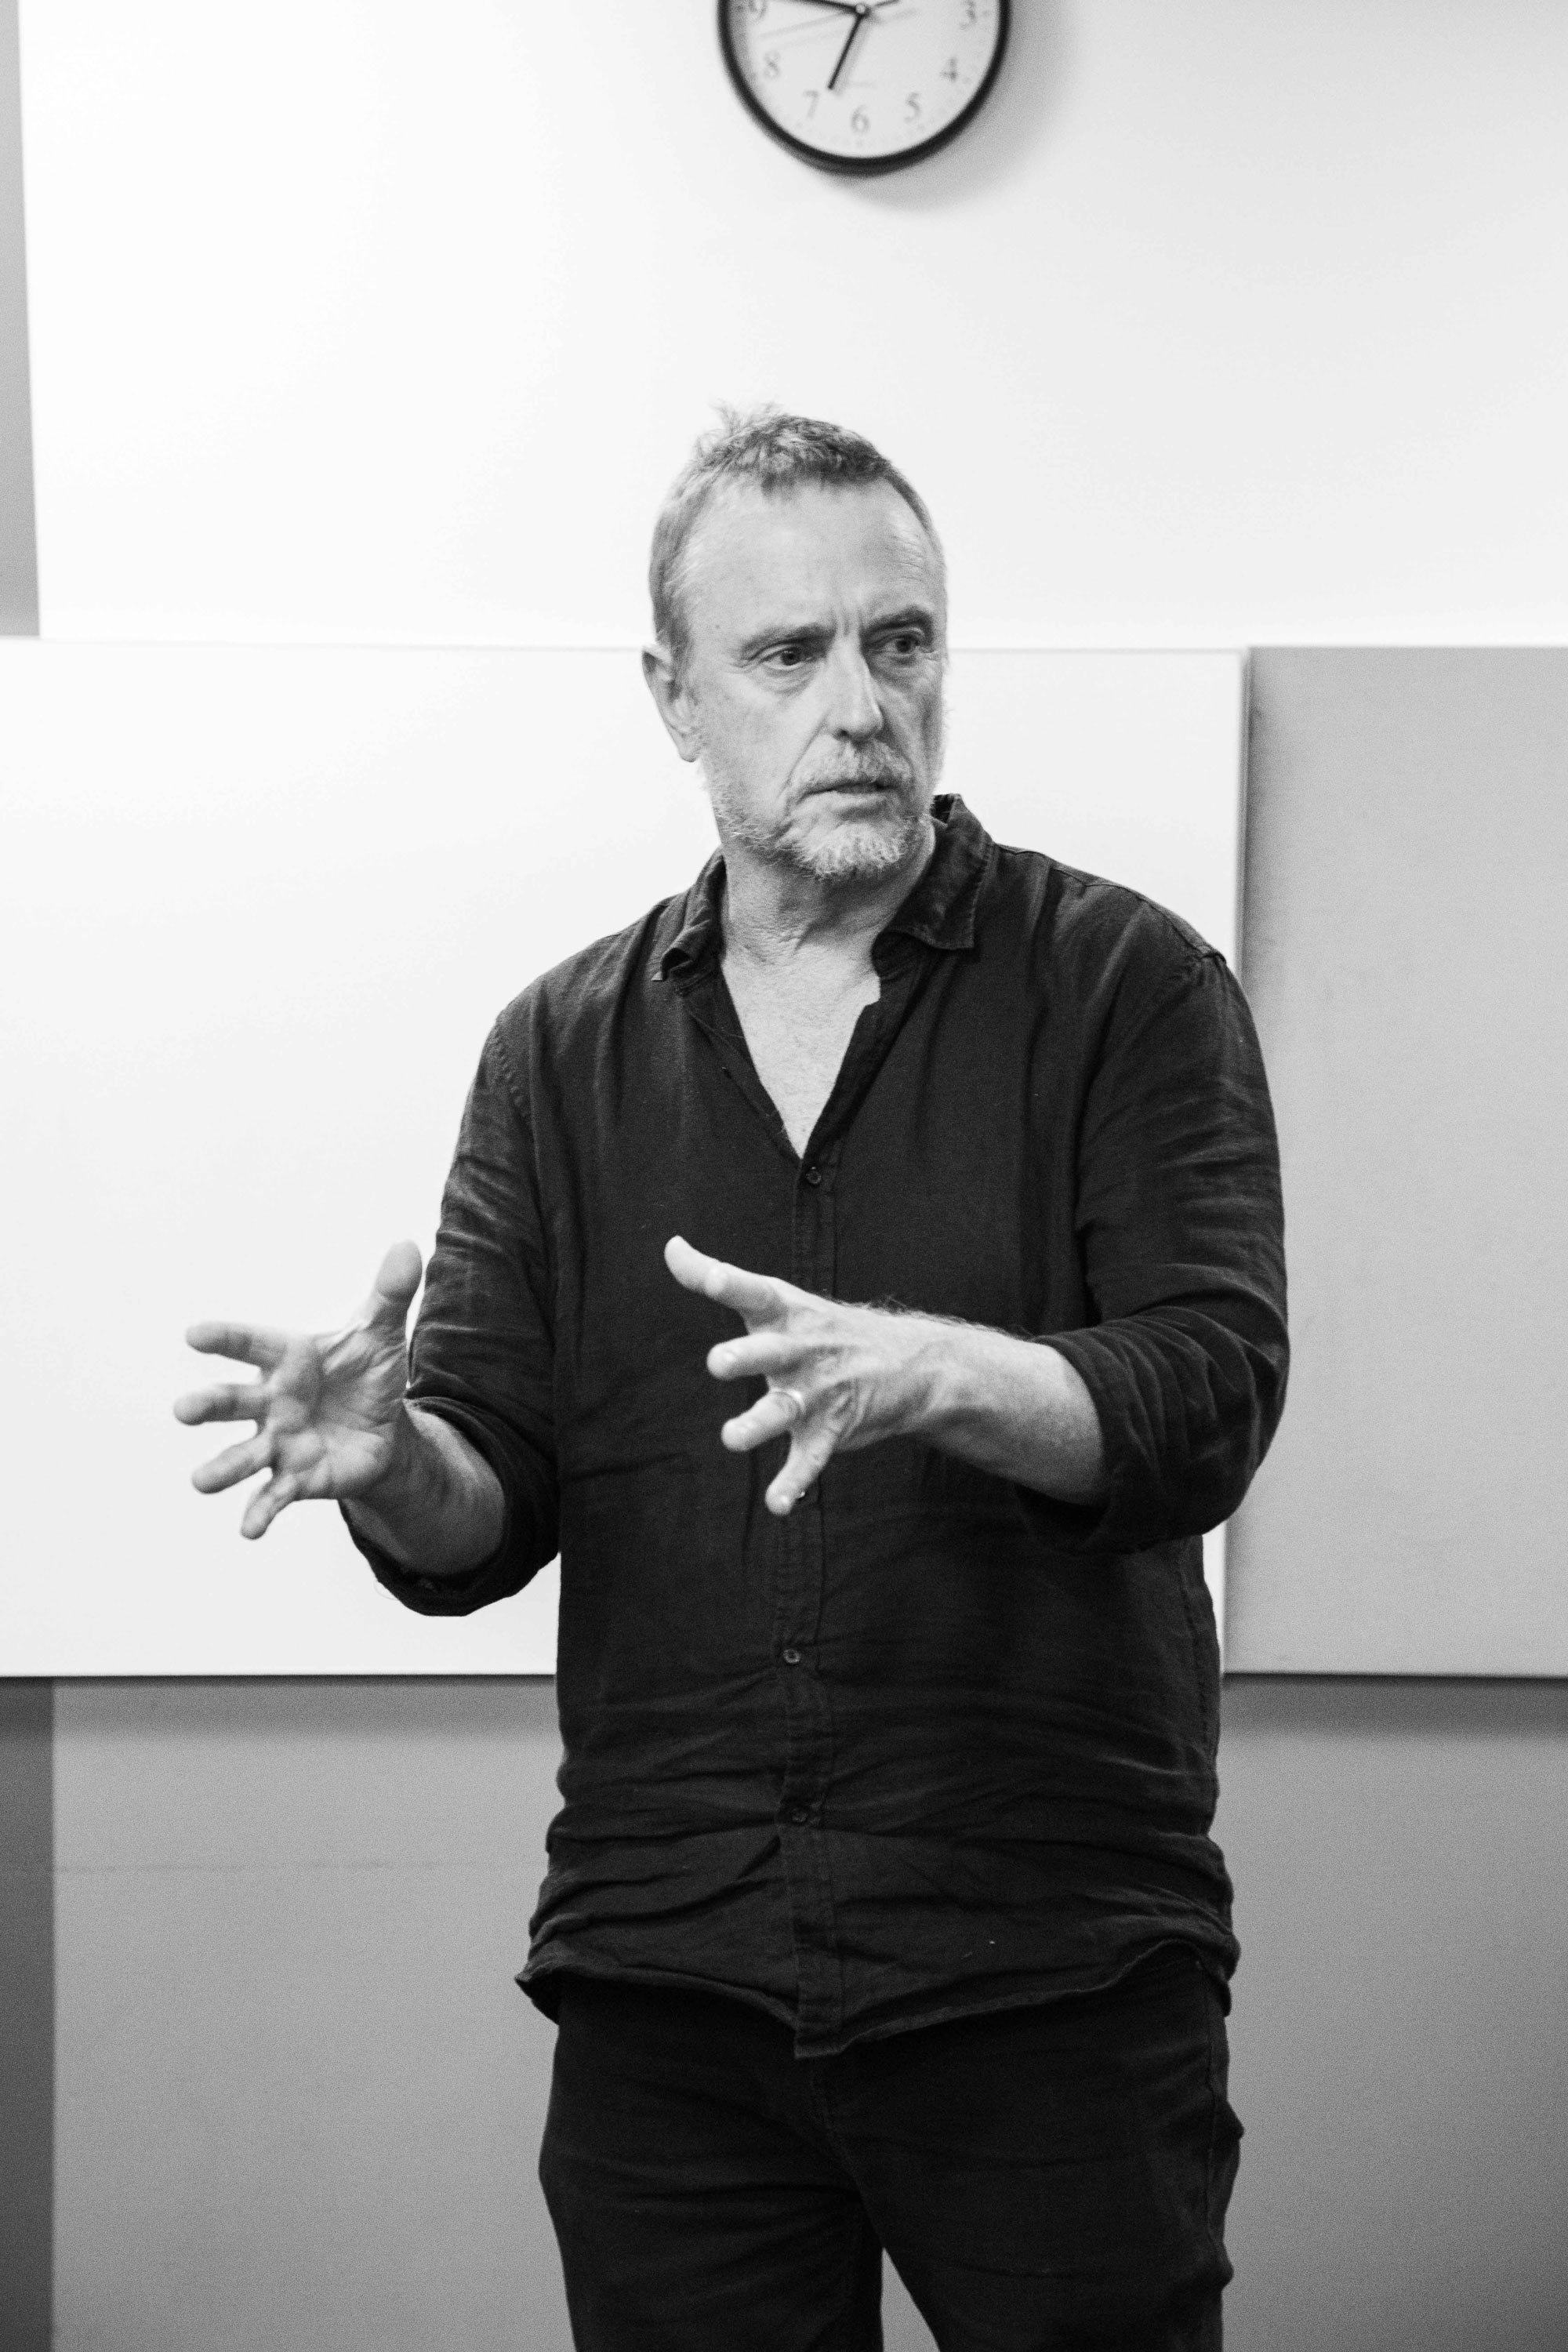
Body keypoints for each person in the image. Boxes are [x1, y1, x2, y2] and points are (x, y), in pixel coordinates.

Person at [176, 409, 1287, 2350]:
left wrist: (944, 1374)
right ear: (672, 697)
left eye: (900, 642)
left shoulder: (1129, 986)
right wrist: (396, 1460)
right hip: (668, 1980)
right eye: (789, 655)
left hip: (1046, 1971)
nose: (861, 706)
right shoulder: (559, 1053)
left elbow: (1208, 1394)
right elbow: (486, 1505)